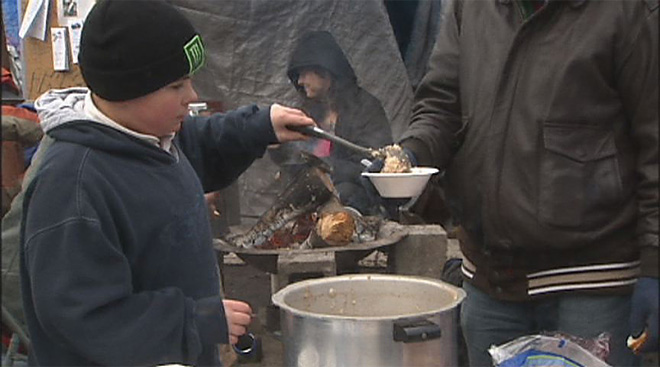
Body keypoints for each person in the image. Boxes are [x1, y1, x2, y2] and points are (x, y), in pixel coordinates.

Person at [18, 1, 314, 366]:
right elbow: (83, 318)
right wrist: (193, 322)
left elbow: (199, 142)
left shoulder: (151, 138)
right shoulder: (73, 188)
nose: (191, 97)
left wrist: (259, 125)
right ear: (128, 89)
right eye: (176, 85)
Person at [368, 0, 658, 365]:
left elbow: (655, 142)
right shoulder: (471, 8)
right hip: (491, 284)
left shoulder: (627, 12)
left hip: (591, 285)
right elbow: (441, 104)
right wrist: (408, 156)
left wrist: (656, 265)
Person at [270, 30, 393, 215]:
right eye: (297, 76)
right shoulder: (308, 111)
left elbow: (372, 164)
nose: (300, 81)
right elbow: (293, 156)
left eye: (304, 73)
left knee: (345, 193)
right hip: (311, 198)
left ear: (325, 72)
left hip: (355, 203)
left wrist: (323, 168)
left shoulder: (365, 108)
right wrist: (276, 148)